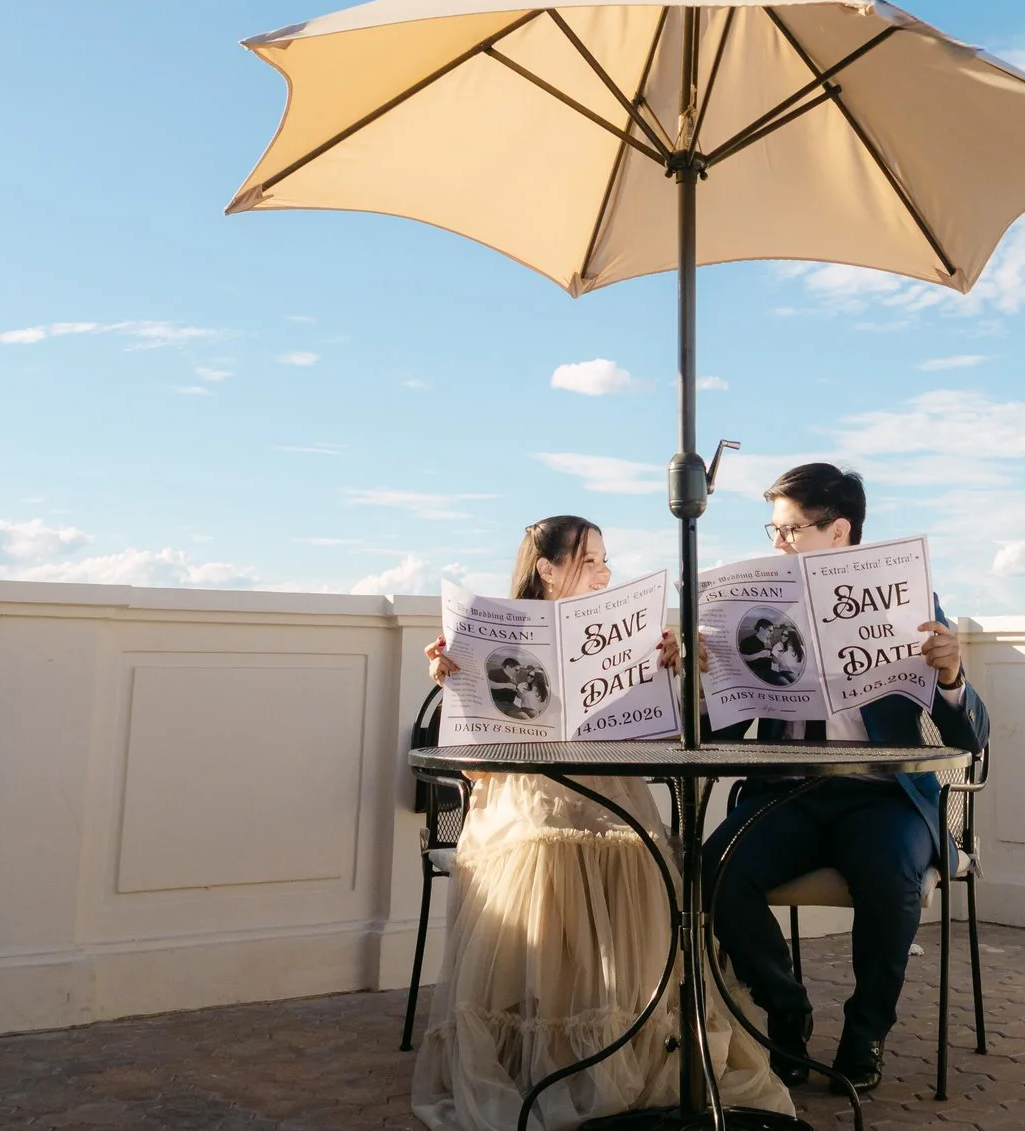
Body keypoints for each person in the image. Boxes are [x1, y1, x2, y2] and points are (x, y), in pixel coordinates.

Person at [412, 516, 795, 1131]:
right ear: (548, 568)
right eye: (591, 561)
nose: (605, 572)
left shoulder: (624, 635)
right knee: (546, 850)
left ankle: (634, 1035)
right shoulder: (504, 633)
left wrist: (675, 673)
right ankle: (552, 1052)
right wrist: (454, 683)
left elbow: (668, 732)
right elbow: (479, 767)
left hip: (613, 789)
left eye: (606, 560)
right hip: (524, 791)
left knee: (638, 852)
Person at [706, 464, 989, 1096]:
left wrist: (950, 680)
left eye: (789, 530)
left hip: (883, 793)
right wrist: (712, 679)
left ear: (839, 531)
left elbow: (971, 738)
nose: (776, 543)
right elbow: (722, 742)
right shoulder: (755, 606)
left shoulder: (910, 601)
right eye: (772, 530)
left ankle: (865, 1033)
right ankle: (786, 1007)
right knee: (714, 869)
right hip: (788, 792)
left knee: (891, 879)